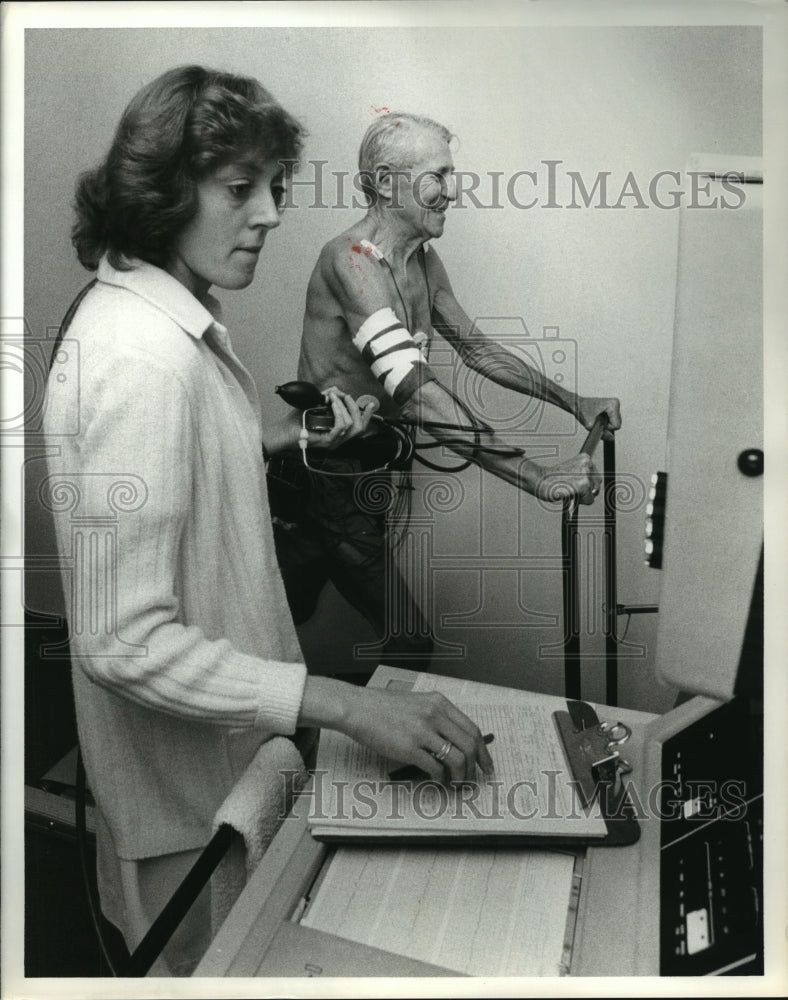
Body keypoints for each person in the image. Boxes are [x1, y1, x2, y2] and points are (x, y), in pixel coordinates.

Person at [43, 69, 492, 976]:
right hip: (189, 814)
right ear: (163, 191)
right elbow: (122, 643)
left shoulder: (168, 324)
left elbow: (191, 471)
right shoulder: (137, 359)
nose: (274, 212)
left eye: (277, 187)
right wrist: (342, 707)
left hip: (231, 777)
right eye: (239, 187)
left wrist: (292, 434)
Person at [271, 111, 621, 671]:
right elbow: (415, 393)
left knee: (274, 618)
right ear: (386, 183)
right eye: (437, 176)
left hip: (363, 471)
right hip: (324, 480)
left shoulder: (422, 261)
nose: (451, 192)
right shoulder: (352, 262)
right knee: (404, 641)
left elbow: (478, 351)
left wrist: (573, 401)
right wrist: (538, 476)